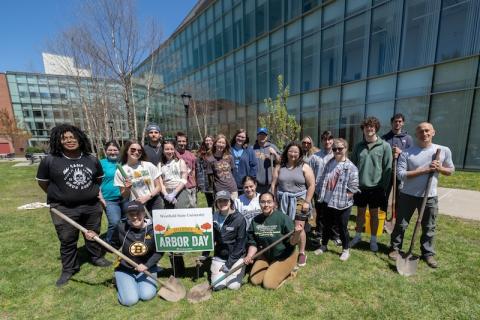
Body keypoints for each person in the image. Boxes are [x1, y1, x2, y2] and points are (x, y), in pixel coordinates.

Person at [36, 124, 111, 287]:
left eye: (72, 137)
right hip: (63, 209)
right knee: (67, 239)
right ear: (59, 141)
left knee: (93, 234)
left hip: (91, 206)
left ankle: (96, 257)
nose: (69, 140)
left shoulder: (91, 159)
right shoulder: (50, 160)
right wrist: (62, 195)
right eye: (65, 138)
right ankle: (69, 269)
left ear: (79, 138)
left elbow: (98, 179)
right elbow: (43, 183)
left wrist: (87, 193)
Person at [389, 122, 454, 268]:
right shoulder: (407, 153)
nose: (424, 134)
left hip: (430, 195)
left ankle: (428, 253)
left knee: (429, 226)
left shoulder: (443, 150)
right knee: (401, 224)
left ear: (433, 132)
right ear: (416, 134)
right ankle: (395, 248)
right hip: (408, 195)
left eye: (427, 131)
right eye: (420, 131)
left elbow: (450, 170)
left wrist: (440, 168)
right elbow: (401, 175)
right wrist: (424, 170)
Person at [86, 200, 163, 307]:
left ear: (143, 213)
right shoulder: (122, 228)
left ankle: (132, 283)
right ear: (127, 215)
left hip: (147, 268)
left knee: (147, 295)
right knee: (130, 300)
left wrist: (147, 265)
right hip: (125, 269)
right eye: (131, 214)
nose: (135, 217)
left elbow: (159, 252)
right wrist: (96, 239)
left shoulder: (154, 229)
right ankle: (122, 280)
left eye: (137, 213)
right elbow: (112, 247)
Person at [350, 117, 392, 252]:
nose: (369, 129)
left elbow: (387, 168)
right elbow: (353, 166)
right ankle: (357, 237)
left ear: (376, 129)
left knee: (374, 215)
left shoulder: (385, 146)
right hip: (360, 188)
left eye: (372, 127)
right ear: (363, 129)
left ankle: (373, 240)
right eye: (367, 127)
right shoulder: (358, 146)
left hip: (376, 188)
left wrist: (383, 187)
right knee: (360, 213)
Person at [244, 192, 302, 289]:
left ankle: (291, 272)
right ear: (259, 203)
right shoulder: (256, 220)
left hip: (284, 256)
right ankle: (272, 267)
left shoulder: (282, 218)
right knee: (255, 280)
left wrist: (297, 233)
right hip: (266, 255)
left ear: (274, 203)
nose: (266, 205)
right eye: (263, 202)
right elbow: (253, 242)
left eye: (269, 202)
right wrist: (250, 255)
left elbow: (293, 242)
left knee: (269, 284)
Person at [314, 138, 359, 261]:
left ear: (346, 149)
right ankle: (324, 245)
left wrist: (345, 198)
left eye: (340, 148)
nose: (337, 151)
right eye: (335, 149)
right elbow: (323, 178)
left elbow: (354, 187)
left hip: (342, 203)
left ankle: (346, 249)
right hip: (327, 201)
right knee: (327, 225)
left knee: (342, 227)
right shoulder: (330, 162)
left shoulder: (351, 167)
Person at [272, 141, 315, 267]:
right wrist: (274, 200)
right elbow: (274, 184)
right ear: (287, 152)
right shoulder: (280, 166)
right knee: (284, 226)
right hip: (283, 200)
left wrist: (307, 202)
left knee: (299, 228)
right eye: (291, 151)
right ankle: (287, 249)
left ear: (300, 153)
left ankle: (301, 253)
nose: (293, 154)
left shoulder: (304, 166)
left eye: (296, 151)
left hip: (300, 201)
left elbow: (312, 185)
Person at [114, 141, 165, 214]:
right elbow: (124, 195)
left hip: (154, 200)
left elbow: (158, 187)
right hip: (136, 203)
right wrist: (127, 188)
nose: (136, 152)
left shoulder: (148, 165)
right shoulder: (120, 171)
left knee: (158, 225)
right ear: (126, 151)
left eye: (139, 151)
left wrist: (147, 197)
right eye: (133, 150)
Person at [211, 190, 247, 290]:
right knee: (218, 286)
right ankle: (223, 274)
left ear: (230, 201)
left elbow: (240, 244)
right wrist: (204, 254)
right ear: (216, 203)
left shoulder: (239, 218)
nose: (222, 203)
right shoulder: (213, 217)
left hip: (236, 257)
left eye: (225, 200)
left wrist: (229, 264)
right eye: (219, 201)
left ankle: (237, 271)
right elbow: (208, 238)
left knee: (233, 286)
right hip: (220, 257)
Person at [381, 113, 414, 212]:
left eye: (400, 121)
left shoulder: (408, 138)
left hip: (400, 172)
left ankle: (396, 218)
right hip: (387, 171)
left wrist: (401, 152)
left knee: (399, 195)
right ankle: (383, 217)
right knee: (384, 195)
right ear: (392, 123)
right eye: (395, 121)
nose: (397, 123)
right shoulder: (384, 138)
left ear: (403, 123)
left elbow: (412, 155)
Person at [313, 131, 338, 245]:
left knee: (333, 213)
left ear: (332, 140)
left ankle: (334, 235)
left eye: (329, 139)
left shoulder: (337, 155)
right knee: (320, 214)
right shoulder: (315, 156)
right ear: (322, 141)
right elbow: (310, 172)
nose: (327, 141)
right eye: (324, 139)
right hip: (318, 190)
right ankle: (319, 234)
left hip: (332, 190)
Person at [99, 141, 125, 244]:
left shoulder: (123, 162)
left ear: (119, 151)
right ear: (105, 151)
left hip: (125, 197)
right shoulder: (101, 163)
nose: (112, 152)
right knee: (114, 222)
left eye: (115, 150)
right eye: (110, 150)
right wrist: (100, 198)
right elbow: (96, 182)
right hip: (109, 199)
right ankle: (109, 242)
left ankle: (123, 240)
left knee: (125, 221)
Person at [158, 140, 189, 209]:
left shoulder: (180, 162)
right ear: (163, 150)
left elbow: (184, 179)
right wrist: (166, 195)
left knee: (180, 210)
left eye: (172, 149)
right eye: (167, 149)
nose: (169, 151)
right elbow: (160, 182)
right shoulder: (160, 164)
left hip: (179, 190)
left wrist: (174, 193)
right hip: (166, 191)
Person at [206, 134, 238, 199]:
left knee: (233, 208)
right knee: (222, 208)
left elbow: (232, 172)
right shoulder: (210, 160)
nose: (221, 145)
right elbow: (210, 177)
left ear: (225, 145)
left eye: (223, 143)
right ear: (215, 144)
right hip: (220, 190)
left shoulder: (230, 157)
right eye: (219, 142)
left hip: (232, 189)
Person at [253, 128, 281, 194]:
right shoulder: (252, 148)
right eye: (260, 135)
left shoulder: (272, 147)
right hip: (257, 185)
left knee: (271, 202)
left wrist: (275, 153)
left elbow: (280, 161)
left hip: (271, 185)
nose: (262, 137)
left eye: (264, 135)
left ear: (267, 136)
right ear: (257, 136)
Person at [230, 129, 257, 194]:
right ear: (235, 137)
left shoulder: (249, 150)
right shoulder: (229, 150)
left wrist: (250, 180)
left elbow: (254, 166)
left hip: (245, 185)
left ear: (245, 139)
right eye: (238, 136)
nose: (240, 138)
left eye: (243, 137)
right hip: (231, 184)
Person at [175, 132, 197, 208]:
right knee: (183, 209)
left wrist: (194, 183)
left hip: (191, 186)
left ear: (186, 142)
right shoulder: (173, 154)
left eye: (184, 141)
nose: (182, 143)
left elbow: (193, 170)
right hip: (180, 187)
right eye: (179, 141)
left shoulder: (191, 155)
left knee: (193, 207)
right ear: (176, 142)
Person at [196, 135, 215, 207]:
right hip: (206, 181)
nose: (208, 142)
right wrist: (200, 183)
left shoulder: (217, 152)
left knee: (219, 200)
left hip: (216, 180)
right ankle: (211, 216)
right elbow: (199, 169)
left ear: (213, 141)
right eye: (206, 140)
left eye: (210, 140)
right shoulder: (201, 154)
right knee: (210, 202)